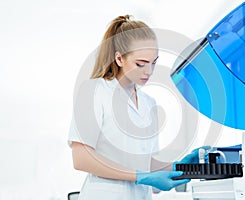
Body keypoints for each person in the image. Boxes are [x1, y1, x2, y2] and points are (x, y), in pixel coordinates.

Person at [68, 15, 200, 200]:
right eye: (140, 64)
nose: (149, 71)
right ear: (119, 59)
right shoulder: (94, 92)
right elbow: (81, 158)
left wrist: (180, 167)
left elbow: (145, 163)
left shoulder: (149, 103)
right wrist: (140, 177)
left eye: (154, 63)